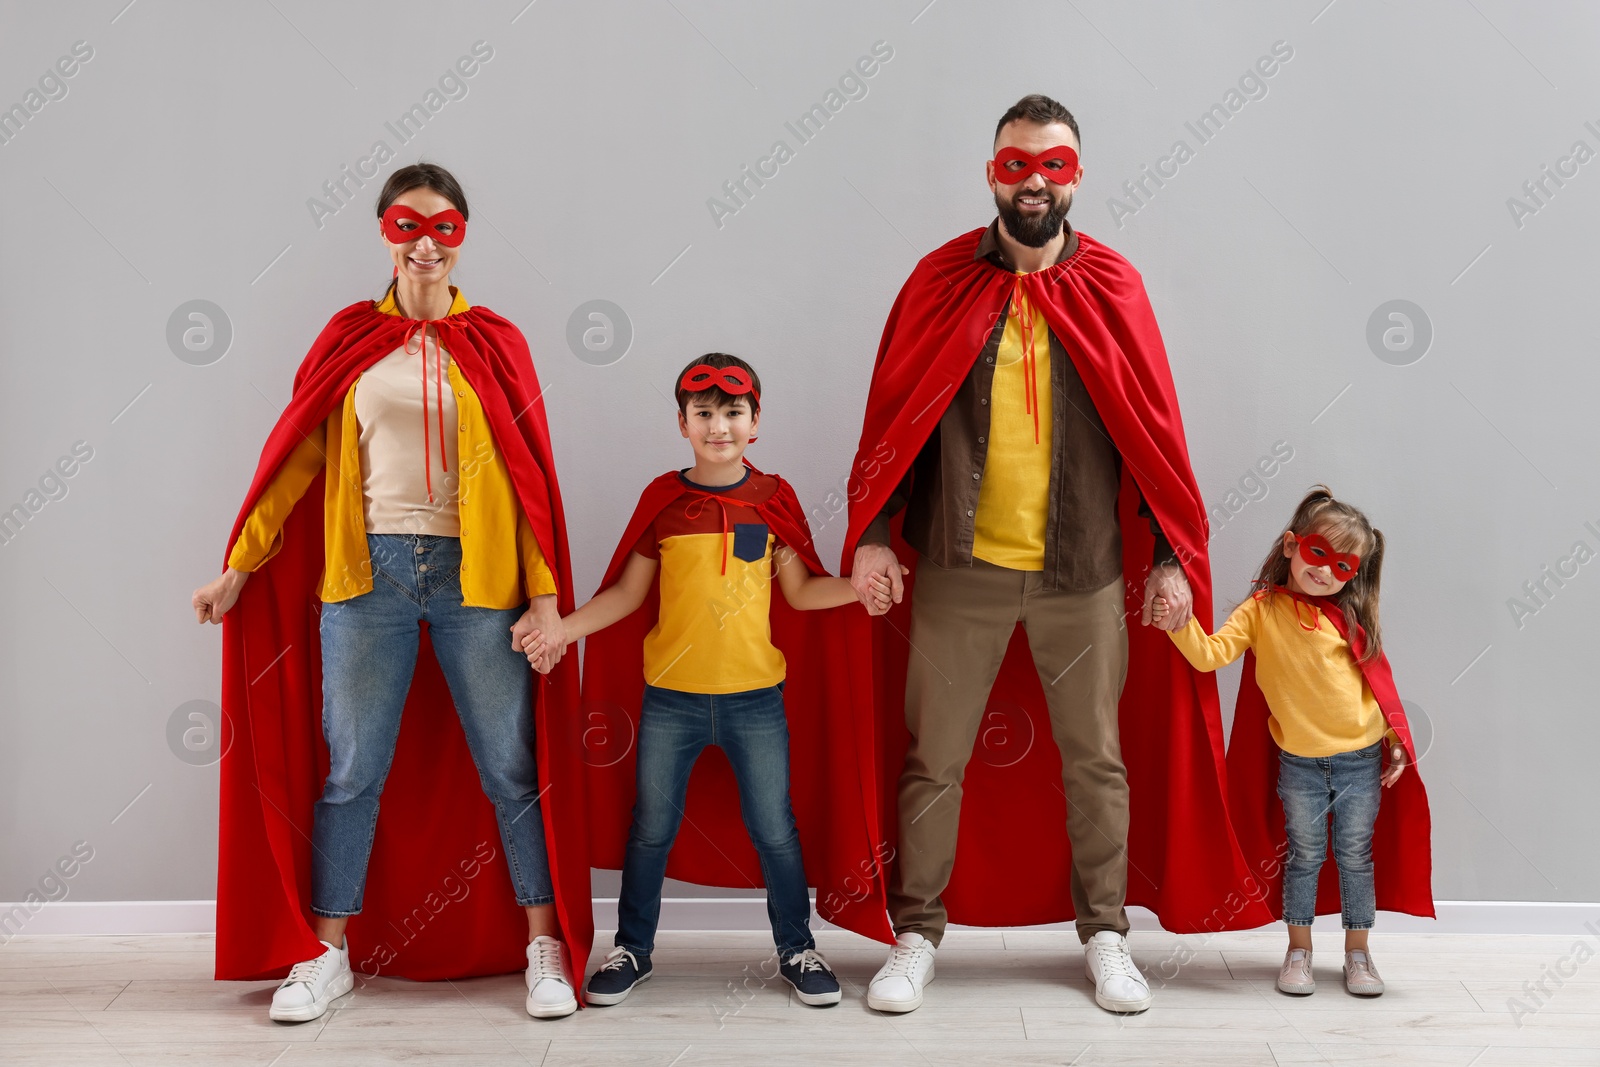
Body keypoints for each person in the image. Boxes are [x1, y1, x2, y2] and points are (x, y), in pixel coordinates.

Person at [843, 94, 1275, 1016]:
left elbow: (1153, 434)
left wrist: (1168, 557)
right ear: (991, 172)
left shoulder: (1112, 285)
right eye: (1015, 164)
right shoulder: (939, 281)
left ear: (1076, 175)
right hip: (960, 563)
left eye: (1054, 165)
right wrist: (873, 535)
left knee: (1097, 758)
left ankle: (1108, 933)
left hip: (1083, 566)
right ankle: (916, 933)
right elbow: (894, 418)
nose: (1034, 180)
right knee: (936, 757)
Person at [190, 163, 590, 1022]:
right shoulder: (349, 339)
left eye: (444, 228)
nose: (426, 244)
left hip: (477, 579)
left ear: (463, 238)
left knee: (511, 768)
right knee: (352, 772)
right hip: (366, 576)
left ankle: (543, 948)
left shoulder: (498, 342)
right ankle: (326, 953)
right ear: (385, 234)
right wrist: (241, 564)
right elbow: (294, 460)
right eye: (409, 226)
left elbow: (529, 483)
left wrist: (547, 594)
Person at [519, 354, 895, 1008]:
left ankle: (797, 947)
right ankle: (632, 947)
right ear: (682, 423)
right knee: (651, 829)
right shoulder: (664, 501)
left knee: (775, 827)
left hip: (756, 701)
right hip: (671, 701)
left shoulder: (773, 500)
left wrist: (858, 592)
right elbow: (628, 596)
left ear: (756, 424)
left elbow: (801, 594)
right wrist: (561, 631)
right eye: (704, 414)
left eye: (732, 413)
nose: (718, 426)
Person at [1154, 485, 1433, 997]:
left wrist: (1396, 743)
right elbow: (1210, 654)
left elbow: (1379, 689)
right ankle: (1298, 951)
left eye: (1343, 566)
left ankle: (1358, 954)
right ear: (1291, 545)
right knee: (1304, 857)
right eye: (1317, 553)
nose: (1325, 571)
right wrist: (1178, 622)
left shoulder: (1350, 617)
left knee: (1355, 858)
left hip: (1359, 761)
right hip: (1300, 765)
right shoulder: (1261, 611)